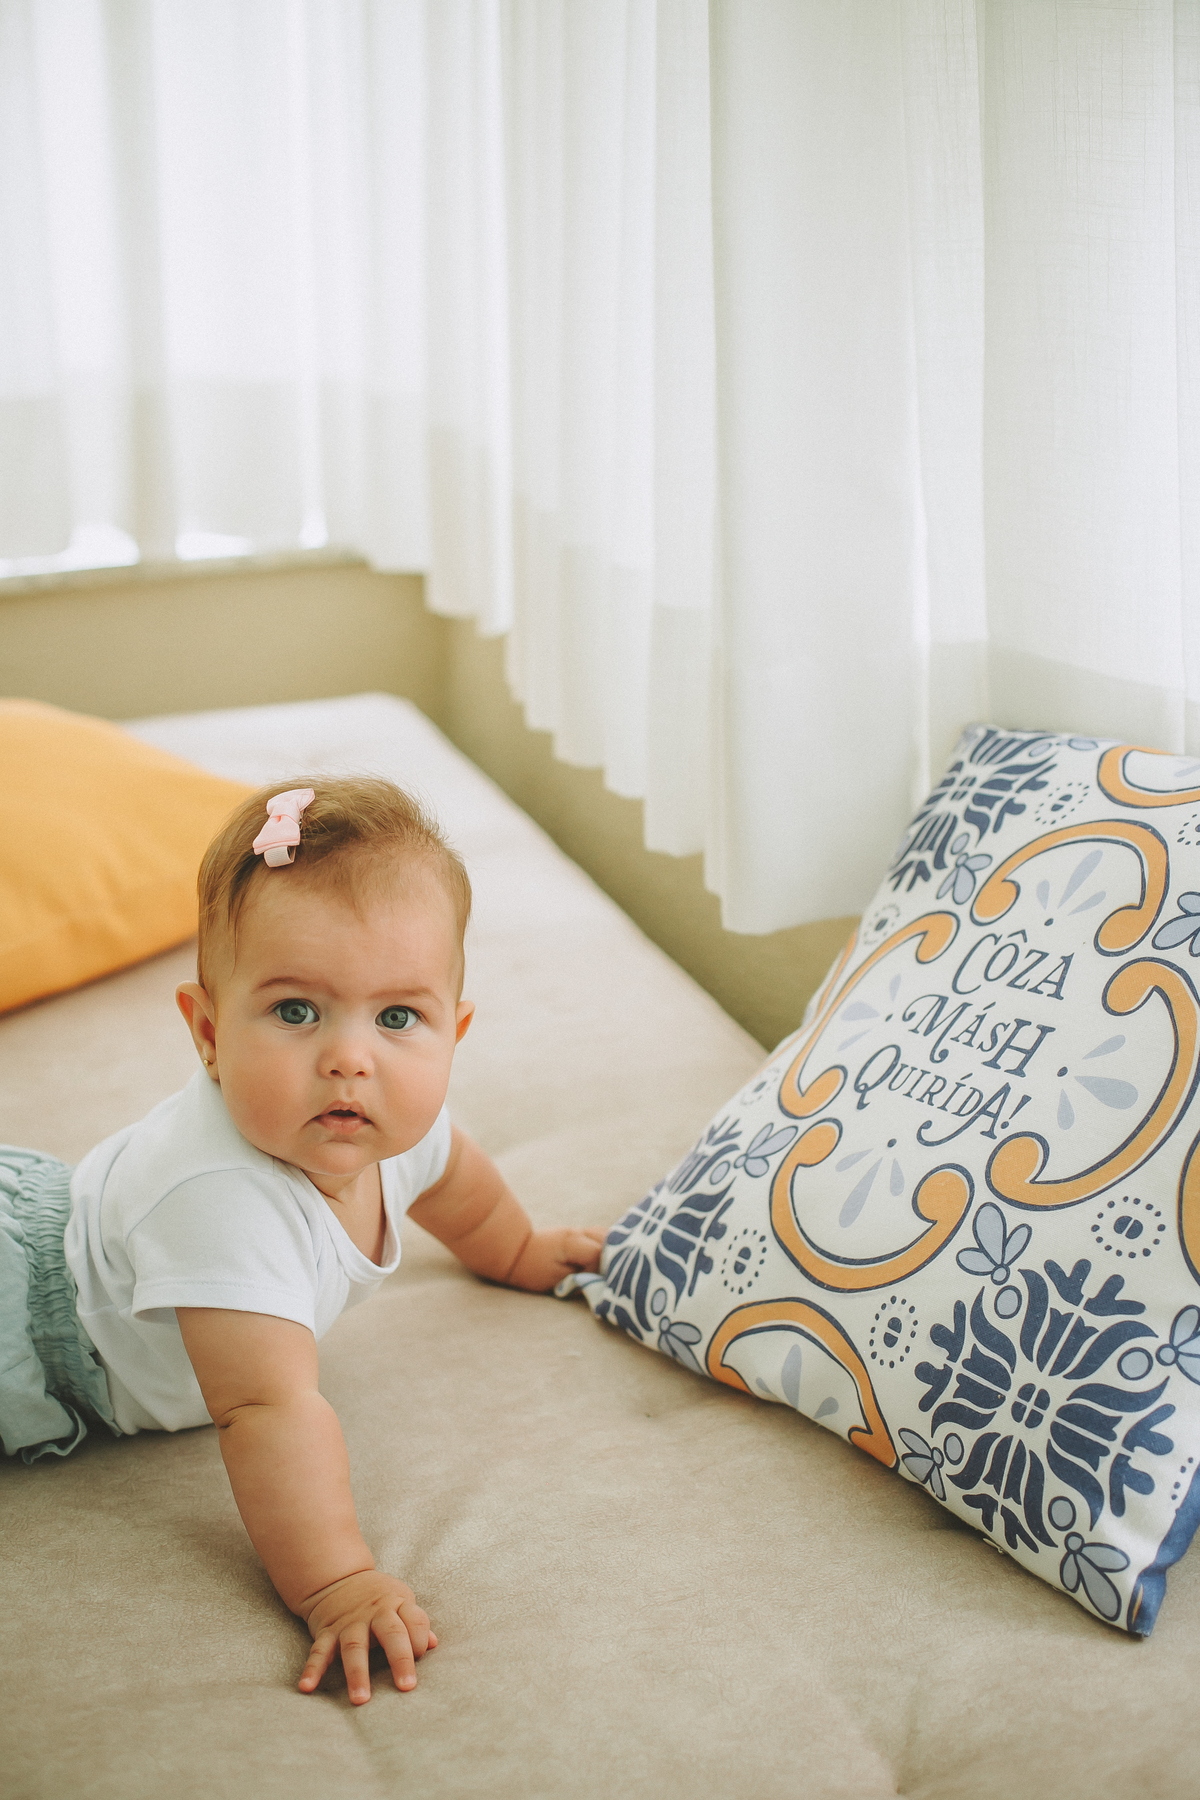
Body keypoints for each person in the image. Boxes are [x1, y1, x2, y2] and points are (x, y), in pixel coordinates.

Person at [0, 777, 603, 1704]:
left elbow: (457, 1186)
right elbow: (267, 1411)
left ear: (454, 1032)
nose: (350, 1058)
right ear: (206, 1032)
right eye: (294, 1012)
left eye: (399, 1017)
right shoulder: (218, 1197)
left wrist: (518, 1251)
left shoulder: (393, 1121)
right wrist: (337, 1581)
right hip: (30, 1322)